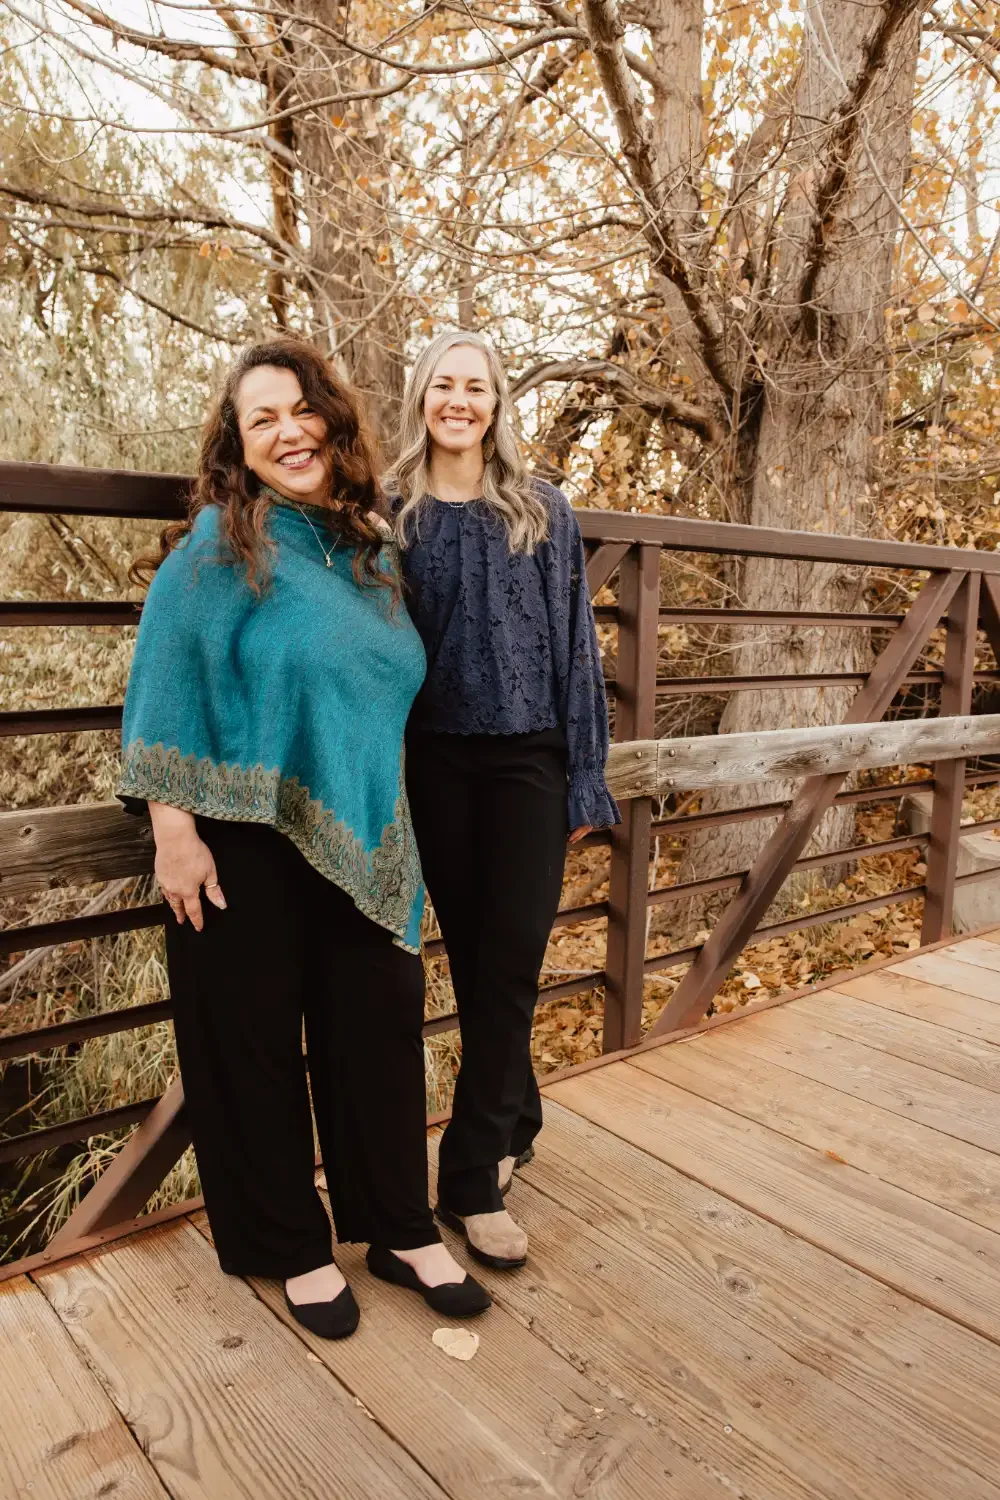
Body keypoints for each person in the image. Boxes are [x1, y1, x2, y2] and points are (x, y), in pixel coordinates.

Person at [117, 336, 489, 1338]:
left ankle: (401, 1229)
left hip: (363, 832)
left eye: (299, 410)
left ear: (330, 415)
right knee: (251, 1050)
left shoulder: (367, 545)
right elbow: (161, 680)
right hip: (238, 839)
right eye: (260, 420)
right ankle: (290, 1244)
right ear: (239, 446)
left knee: (376, 1027)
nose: (288, 432)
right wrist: (171, 829)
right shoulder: (221, 542)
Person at [391, 330, 619, 1270]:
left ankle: (470, 1172)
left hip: (530, 757)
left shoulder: (540, 509)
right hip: (434, 761)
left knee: (516, 956)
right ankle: (515, 1114)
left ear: (495, 403)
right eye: (444, 385)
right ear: (422, 399)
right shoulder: (390, 513)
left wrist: (585, 769)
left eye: (475, 387)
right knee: (476, 958)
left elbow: (574, 645)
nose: (459, 400)